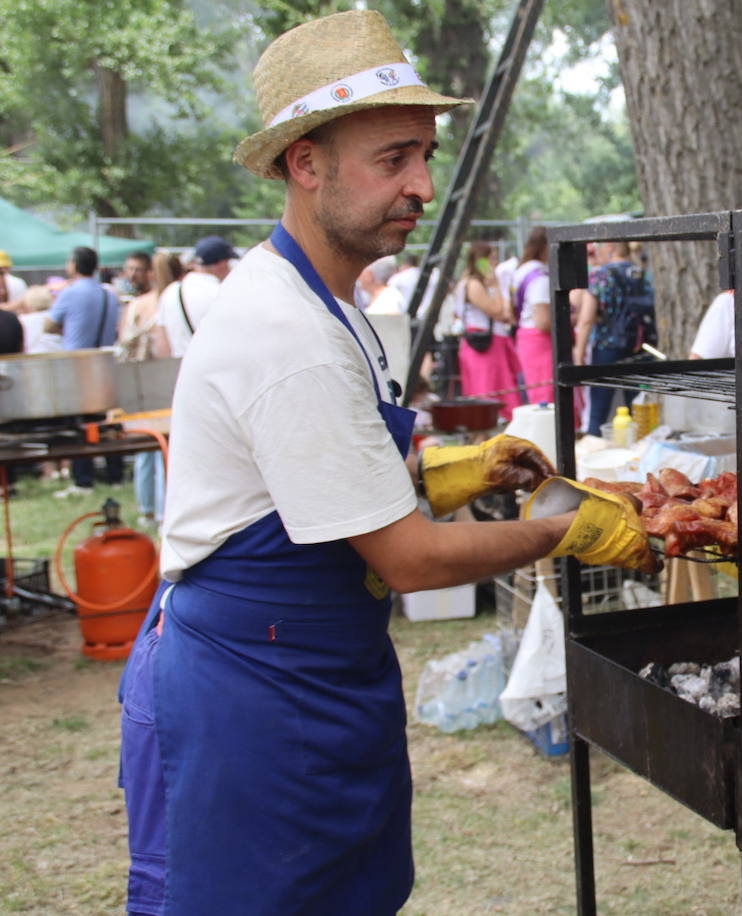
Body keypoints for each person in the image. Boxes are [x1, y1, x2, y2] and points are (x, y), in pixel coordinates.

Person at [116, 11, 650, 916]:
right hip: (251, 688)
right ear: (305, 162)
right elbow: (409, 561)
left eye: (427, 155)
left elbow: (308, 487)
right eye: (393, 158)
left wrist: (453, 473)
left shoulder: (330, 302)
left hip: (307, 668)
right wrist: (569, 529)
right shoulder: (288, 335)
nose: (424, 185)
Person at [46, 246, 124, 495]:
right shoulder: (108, 294)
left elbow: (49, 324)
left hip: (78, 363)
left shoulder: (70, 293)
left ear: (74, 265)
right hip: (104, 360)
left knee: (80, 423)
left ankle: (83, 478)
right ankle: (115, 473)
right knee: (108, 421)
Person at [118, 251, 183, 526]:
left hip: (139, 380)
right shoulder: (171, 300)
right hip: (167, 377)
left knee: (145, 446)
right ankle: (162, 510)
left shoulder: (139, 305)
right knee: (166, 447)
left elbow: (123, 342)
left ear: (149, 273)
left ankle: (147, 509)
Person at [574, 240, 656, 434]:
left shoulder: (601, 275)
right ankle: (639, 453)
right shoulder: (641, 274)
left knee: (599, 410)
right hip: (638, 347)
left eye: (598, 248)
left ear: (610, 247)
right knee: (637, 409)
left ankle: (593, 448)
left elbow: (586, 319)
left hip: (606, 346)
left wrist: (578, 354)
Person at [456, 240, 522, 420]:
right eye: (491, 259)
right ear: (480, 261)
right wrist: (495, 286)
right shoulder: (474, 284)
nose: (495, 263)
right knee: (486, 391)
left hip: (493, 342)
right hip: (483, 345)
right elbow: (498, 312)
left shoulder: (476, 284)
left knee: (498, 388)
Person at [151, 235, 236, 358]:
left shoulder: (171, 291)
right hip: (215, 369)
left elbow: (162, 344)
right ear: (221, 263)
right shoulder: (223, 293)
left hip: (179, 370)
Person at [512, 226, 554, 404]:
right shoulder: (540, 278)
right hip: (539, 341)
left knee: (535, 393)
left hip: (526, 336)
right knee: (545, 396)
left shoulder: (521, 271)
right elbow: (543, 321)